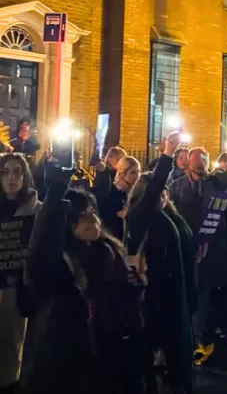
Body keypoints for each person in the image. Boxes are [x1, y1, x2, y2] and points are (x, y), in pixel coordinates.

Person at [20, 158, 145, 394]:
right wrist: (55, 196)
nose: (92, 220)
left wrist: (135, 287)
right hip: (70, 361)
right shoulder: (61, 263)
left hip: (112, 356)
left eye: (93, 213)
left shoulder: (108, 252)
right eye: (82, 215)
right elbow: (42, 251)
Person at [125, 132, 196, 394]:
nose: (162, 196)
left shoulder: (170, 217)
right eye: (157, 192)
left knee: (179, 354)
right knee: (160, 358)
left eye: (165, 192)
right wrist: (167, 154)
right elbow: (154, 188)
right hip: (156, 295)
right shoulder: (139, 217)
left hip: (177, 291)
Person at [169, 145, 227, 355]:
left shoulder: (216, 182)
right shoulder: (176, 186)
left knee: (204, 292)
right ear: (188, 162)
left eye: (204, 160)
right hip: (187, 246)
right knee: (188, 292)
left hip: (212, 248)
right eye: (197, 160)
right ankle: (186, 333)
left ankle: (197, 335)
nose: (201, 164)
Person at [0, 154, 41, 394]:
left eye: (17, 172)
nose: (11, 178)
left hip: (18, 293)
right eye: (5, 172)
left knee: (12, 353)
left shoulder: (37, 211)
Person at [96, 156, 140, 241]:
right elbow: (102, 214)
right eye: (133, 172)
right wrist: (117, 214)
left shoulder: (138, 192)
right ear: (122, 174)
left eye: (139, 171)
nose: (138, 175)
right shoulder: (110, 191)